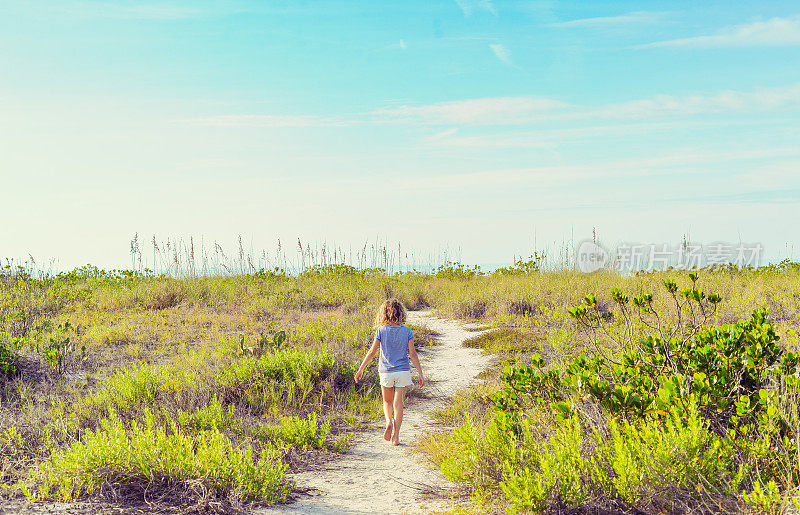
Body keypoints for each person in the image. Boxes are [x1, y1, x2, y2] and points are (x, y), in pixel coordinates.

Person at [354, 298, 425, 446]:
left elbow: (372, 351)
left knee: (387, 401)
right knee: (398, 404)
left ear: (384, 313)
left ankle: (388, 422)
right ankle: (396, 437)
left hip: (386, 372)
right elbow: (413, 354)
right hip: (403, 371)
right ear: (401, 313)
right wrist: (420, 373)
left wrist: (361, 368)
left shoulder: (381, 330)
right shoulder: (407, 331)